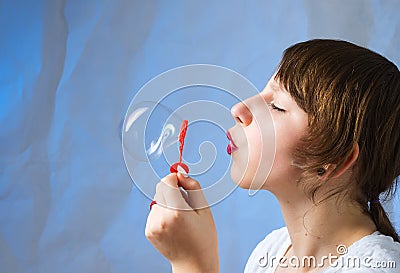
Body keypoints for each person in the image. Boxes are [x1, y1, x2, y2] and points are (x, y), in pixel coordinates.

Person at [145, 39, 400, 273]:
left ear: (336, 160)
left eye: (276, 106)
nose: (238, 109)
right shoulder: (270, 253)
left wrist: (192, 263)